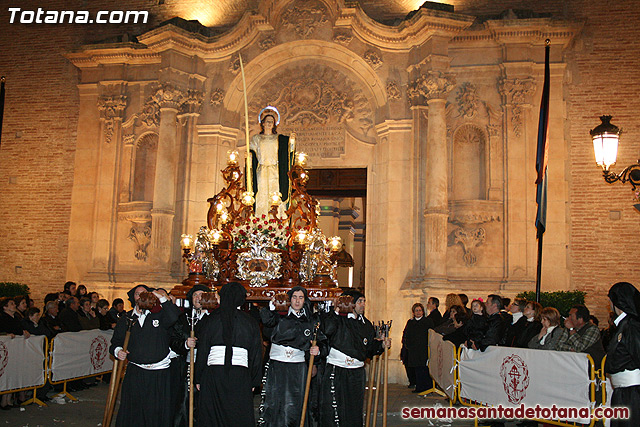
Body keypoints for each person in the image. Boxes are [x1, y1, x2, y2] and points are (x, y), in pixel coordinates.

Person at [109, 285, 180, 427]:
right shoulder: (127, 318)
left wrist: (161, 298)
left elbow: (174, 316)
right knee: (134, 410)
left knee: (156, 411)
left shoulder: (160, 316)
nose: (140, 296)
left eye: (144, 294)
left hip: (158, 373)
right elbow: (115, 342)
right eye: (137, 294)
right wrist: (118, 351)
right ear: (133, 298)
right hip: (136, 372)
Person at [194, 282, 263, 427]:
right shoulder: (250, 321)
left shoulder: (211, 320)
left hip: (213, 374)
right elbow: (256, 354)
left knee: (212, 417)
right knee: (237, 416)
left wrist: (198, 377)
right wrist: (254, 380)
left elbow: (203, 350)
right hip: (240, 375)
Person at [319, 290, 390, 427]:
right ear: (351, 303)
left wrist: (381, 344)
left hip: (356, 372)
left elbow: (368, 349)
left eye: (364, 301)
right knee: (334, 409)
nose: (363, 305)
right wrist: (336, 310)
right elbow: (326, 330)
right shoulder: (338, 319)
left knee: (354, 409)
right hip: (337, 370)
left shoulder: (366, 325)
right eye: (359, 301)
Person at [258, 286, 324, 426]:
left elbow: (320, 342)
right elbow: (267, 322)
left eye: (301, 297)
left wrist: (317, 350)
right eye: (294, 297)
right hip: (278, 366)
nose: (297, 301)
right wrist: (272, 306)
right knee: (276, 402)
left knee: (296, 403)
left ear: (305, 300)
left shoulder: (310, 321)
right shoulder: (279, 317)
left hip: (297, 367)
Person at [170, 284, 217, 427]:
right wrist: (185, 344)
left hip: (209, 366)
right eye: (195, 295)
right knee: (185, 401)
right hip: (188, 364)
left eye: (202, 295)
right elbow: (173, 339)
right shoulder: (183, 318)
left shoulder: (214, 317)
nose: (198, 298)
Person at [605, 281, 640, 427]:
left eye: (610, 300)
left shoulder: (632, 325)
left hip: (632, 393)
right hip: (622, 392)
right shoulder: (623, 324)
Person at [250, 107, 295, 217]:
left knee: (275, 194)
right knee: (261, 194)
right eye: (267, 121)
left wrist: (292, 141)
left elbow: (289, 151)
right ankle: (260, 220)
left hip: (275, 171)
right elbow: (251, 153)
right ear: (263, 123)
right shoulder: (257, 138)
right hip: (262, 169)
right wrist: (249, 155)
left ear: (275, 124)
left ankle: (276, 221)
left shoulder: (279, 139)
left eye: (272, 122)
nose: (269, 124)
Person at [401, 303, 434, 394]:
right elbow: (406, 334)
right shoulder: (410, 322)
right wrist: (408, 344)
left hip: (424, 349)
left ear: (423, 311)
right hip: (414, 350)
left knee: (424, 368)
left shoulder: (428, 321)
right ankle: (419, 387)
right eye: (416, 310)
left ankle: (427, 387)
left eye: (420, 310)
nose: (418, 312)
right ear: (413, 312)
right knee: (417, 369)